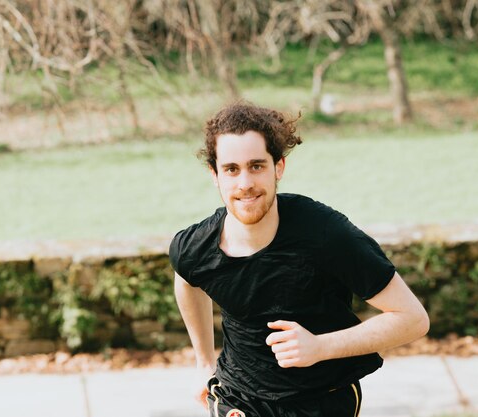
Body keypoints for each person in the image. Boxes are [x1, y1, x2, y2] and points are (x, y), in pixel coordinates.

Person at [169, 102, 430, 417]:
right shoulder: (196, 246)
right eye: (231, 169)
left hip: (320, 401)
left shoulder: (326, 235)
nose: (244, 183)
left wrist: (320, 347)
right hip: (237, 399)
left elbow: (413, 318)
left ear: (278, 167)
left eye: (256, 166)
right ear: (215, 174)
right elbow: (186, 278)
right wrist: (204, 362)